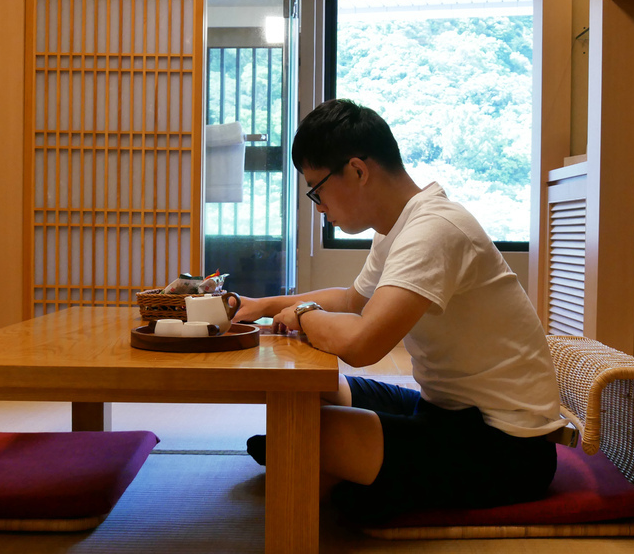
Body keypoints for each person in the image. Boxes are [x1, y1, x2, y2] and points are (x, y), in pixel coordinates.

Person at [234, 98, 565, 525]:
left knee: (296, 432)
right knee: (310, 396)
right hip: (443, 409)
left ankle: (341, 480)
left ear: (357, 170)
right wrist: (260, 307)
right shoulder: (398, 227)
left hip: (506, 447)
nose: (317, 206)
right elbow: (354, 301)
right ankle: (355, 477)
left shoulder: (434, 230)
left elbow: (362, 342)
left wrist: (302, 314)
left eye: (317, 189)